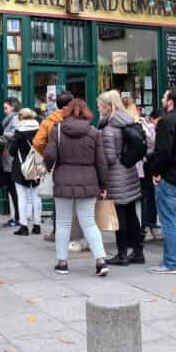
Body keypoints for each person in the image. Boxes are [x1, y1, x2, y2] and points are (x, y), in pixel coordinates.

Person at [42, 98, 110, 277]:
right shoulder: (94, 132)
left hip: (63, 179)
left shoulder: (57, 130)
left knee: (63, 223)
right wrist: (103, 184)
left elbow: (49, 155)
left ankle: (62, 263)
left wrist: (47, 167)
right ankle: (101, 260)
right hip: (88, 180)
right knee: (89, 222)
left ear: (67, 112)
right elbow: (101, 162)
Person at [146, 88, 176, 274]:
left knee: (168, 221)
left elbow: (163, 151)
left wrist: (155, 171)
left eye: (164, 97)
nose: (162, 99)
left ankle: (171, 263)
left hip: (171, 176)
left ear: (171, 101)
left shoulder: (166, 122)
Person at [98, 91, 143, 266]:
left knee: (120, 217)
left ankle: (122, 254)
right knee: (132, 214)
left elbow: (109, 158)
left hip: (116, 176)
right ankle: (138, 252)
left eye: (101, 106)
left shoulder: (109, 129)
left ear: (108, 107)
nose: (99, 109)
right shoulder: (127, 121)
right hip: (129, 172)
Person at [33, 91, 75, 243]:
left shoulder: (49, 122)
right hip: (77, 162)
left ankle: (57, 230)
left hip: (58, 163)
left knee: (59, 196)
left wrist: (48, 154)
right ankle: (76, 231)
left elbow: (37, 142)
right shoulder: (78, 119)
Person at [8, 108, 42, 236]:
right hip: (36, 166)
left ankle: (24, 226)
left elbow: (12, 152)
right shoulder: (39, 130)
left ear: (21, 118)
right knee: (36, 196)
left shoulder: (18, 132)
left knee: (22, 196)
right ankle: (37, 225)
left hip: (21, 167)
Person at [140, 107, 163, 242]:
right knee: (148, 198)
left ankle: (151, 226)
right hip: (148, 167)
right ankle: (147, 227)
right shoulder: (146, 128)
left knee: (151, 199)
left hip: (152, 167)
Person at [1, 97, 22, 228]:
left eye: (6, 108)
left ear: (12, 107)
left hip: (11, 158)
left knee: (14, 189)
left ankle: (18, 217)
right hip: (7, 157)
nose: (4, 111)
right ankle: (16, 216)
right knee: (11, 189)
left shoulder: (14, 118)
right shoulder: (9, 119)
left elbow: (15, 134)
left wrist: (2, 133)